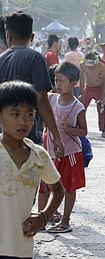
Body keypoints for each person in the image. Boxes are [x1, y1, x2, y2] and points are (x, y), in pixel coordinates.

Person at [0, 80, 65, 258]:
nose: (23, 121)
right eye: (15, 114)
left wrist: (44, 217)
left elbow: (58, 190)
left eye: (29, 114)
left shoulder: (38, 155)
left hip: (21, 248)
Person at [0, 11, 65, 157]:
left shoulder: (1, 59)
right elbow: (42, 99)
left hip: (4, 136)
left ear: (8, 35)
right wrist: (56, 135)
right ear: (32, 37)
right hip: (28, 136)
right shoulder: (35, 58)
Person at [46, 62, 87, 233]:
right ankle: (52, 213)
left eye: (62, 81)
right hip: (52, 152)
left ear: (73, 82)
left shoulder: (78, 107)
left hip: (71, 153)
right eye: (56, 80)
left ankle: (65, 220)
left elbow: (84, 132)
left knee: (69, 188)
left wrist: (70, 129)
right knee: (51, 184)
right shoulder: (52, 99)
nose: (58, 85)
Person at [79, 52, 105, 136]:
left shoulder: (101, 66)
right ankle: (80, 128)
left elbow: (104, 81)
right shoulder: (83, 65)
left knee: (102, 110)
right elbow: (82, 80)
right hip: (88, 88)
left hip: (99, 88)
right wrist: (82, 94)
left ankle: (103, 130)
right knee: (81, 108)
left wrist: (103, 96)